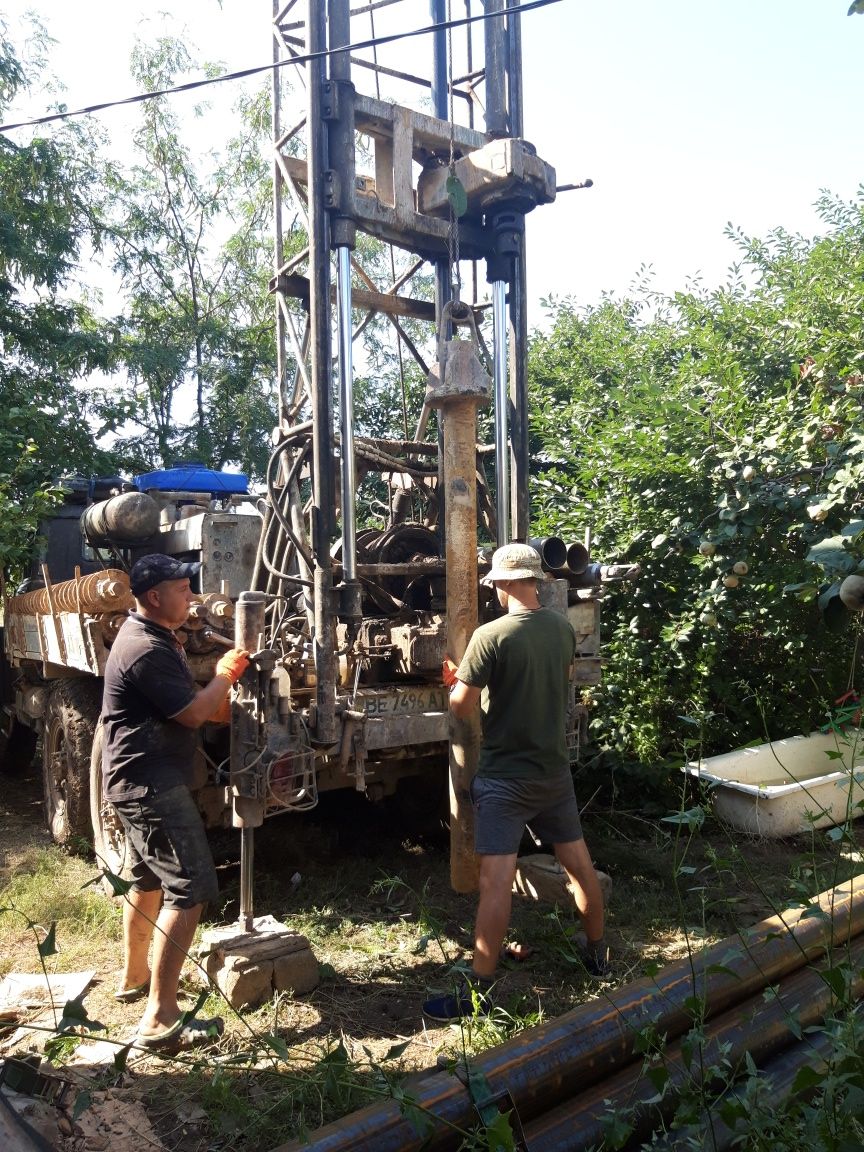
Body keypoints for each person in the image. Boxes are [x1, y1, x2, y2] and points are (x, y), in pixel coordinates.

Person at [422, 542, 608, 1023]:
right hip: (553, 772)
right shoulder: (563, 629)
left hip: (505, 779)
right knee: (580, 866)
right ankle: (598, 954)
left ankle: (479, 990)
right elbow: (553, 678)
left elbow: (461, 706)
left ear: (502, 584)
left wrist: (459, 682)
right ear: (537, 581)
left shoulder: (490, 636)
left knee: (496, 882)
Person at [100, 553, 250, 1051]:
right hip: (150, 784)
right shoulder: (145, 647)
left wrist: (220, 704)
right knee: (189, 888)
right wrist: (225, 676)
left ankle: (135, 976)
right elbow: (189, 715)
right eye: (181, 589)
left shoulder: (159, 637)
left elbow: (188, 710)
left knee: (146, 881)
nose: (191, 597)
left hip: (136, 777)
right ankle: (160, 1020)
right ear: (152, 598)